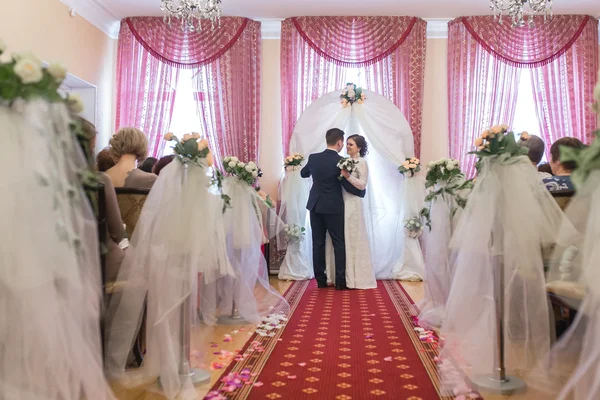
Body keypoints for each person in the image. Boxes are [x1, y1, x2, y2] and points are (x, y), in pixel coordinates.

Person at [301, 128, 365, 290]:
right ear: (339, 142)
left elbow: (303, 174)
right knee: (338, 243)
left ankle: (321, 281)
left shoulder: (314, 158)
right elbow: (346, 183)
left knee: (318, 243)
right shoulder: (342, 161)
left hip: (315, 205)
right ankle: (340, 281)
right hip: (334, 206)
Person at [339, 134, 377, 289]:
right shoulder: (344, 161)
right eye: (347, 144)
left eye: (351, 145)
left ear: (359, 148)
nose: (347, 147)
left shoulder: (362, 163)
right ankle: (345, 275)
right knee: (343, 236)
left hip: (354, 202)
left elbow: (362, 184)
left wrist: (347, 177)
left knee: (354, 235)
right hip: (342, 201)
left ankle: (358, 276)